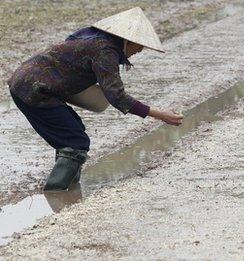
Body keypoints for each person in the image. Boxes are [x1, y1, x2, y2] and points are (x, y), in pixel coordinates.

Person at [7, 7, 183, 191]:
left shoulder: (93, 38)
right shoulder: (105, 51)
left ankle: (70, 189)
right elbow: (117, 96)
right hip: (33, 90)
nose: (139, 50)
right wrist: (161, 115)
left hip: (30, 84)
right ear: (127, 40)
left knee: (74, 134)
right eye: (139, 44)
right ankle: (55, 191)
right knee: (75, 143)